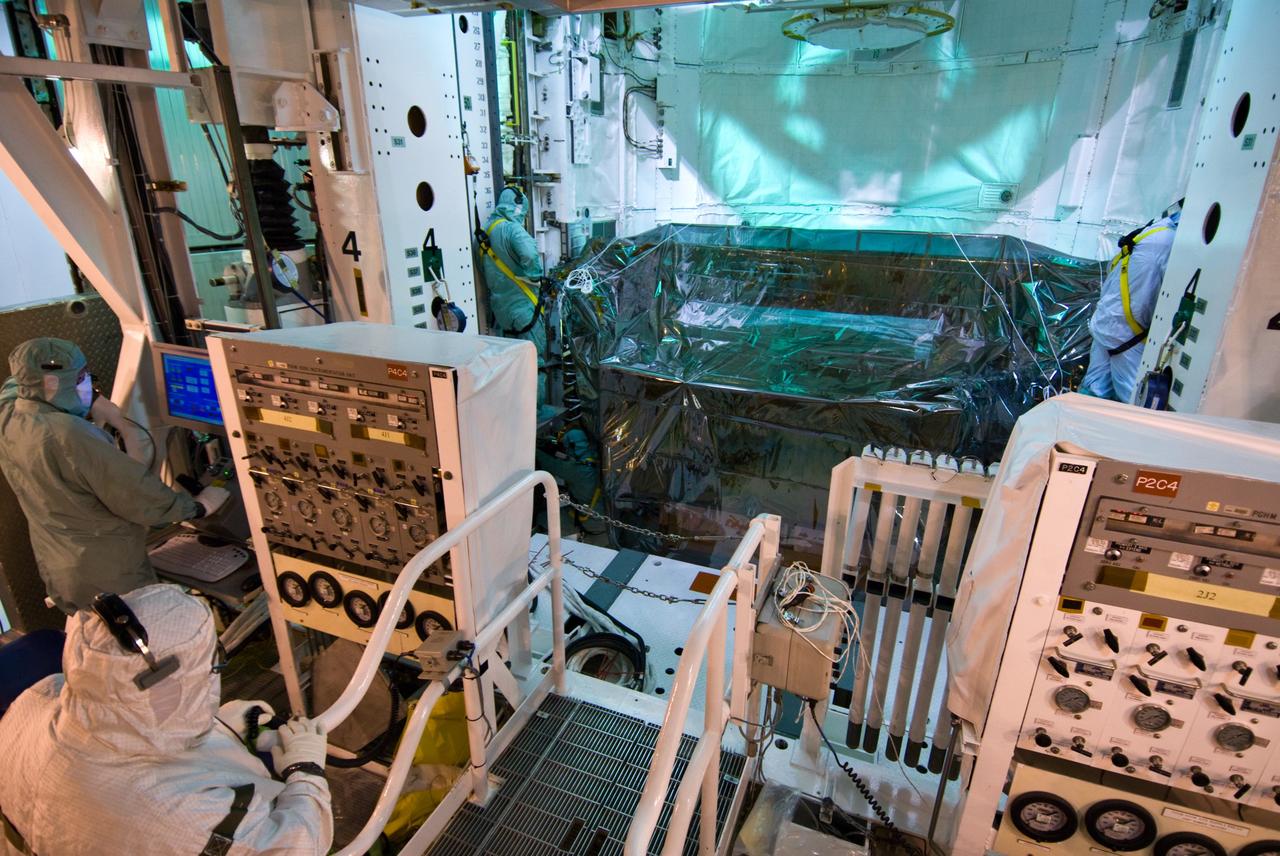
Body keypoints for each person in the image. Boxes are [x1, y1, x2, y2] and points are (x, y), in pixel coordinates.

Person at [0, 584, 333, 855]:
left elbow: (130, 717)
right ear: (166, 681)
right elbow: (296, 846)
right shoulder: (183, 815)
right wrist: (305, 771)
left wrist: (226, 730)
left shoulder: (36, 701)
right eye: (210, 665)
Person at [0, 338, 229, 613]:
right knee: (135, 647)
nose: (87, 384)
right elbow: (137, 495)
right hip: (107, 574)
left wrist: (95, 401)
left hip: (61, 568)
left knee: (91, 645)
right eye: (81, 377)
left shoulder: (9, 415)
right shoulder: (70, 434)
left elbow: (16, 385)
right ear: (52, 384)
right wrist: (198, 507)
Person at [1082, 203, 1181, 403]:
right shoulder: (1170, 241)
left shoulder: (1150, 233)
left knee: (1091, 397)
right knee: (1132, 407)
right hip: (1127, 338)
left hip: (1105, 326)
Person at [480, 187, 546, 360]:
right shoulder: (512, 230)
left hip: (501, 311)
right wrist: (534, 277)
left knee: (514, 366)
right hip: (524, 309)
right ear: (518, 206)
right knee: (535, 363)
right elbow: (530, 255)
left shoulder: (484, 234)